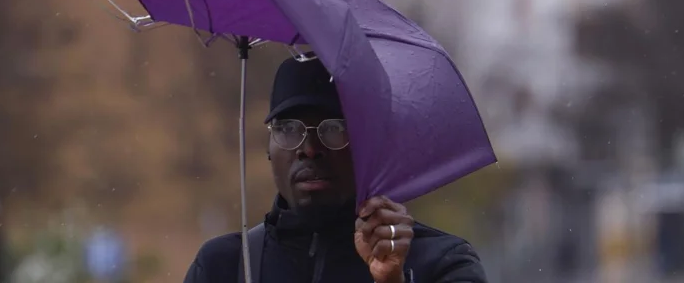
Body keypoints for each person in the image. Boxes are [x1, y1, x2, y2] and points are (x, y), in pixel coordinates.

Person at [183, 55, 488, 283]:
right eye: (289, 128)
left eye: (334, 129)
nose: (309, 148)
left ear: (371, 147)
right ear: (268, 148)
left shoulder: (440, 263)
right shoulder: (223, 267)